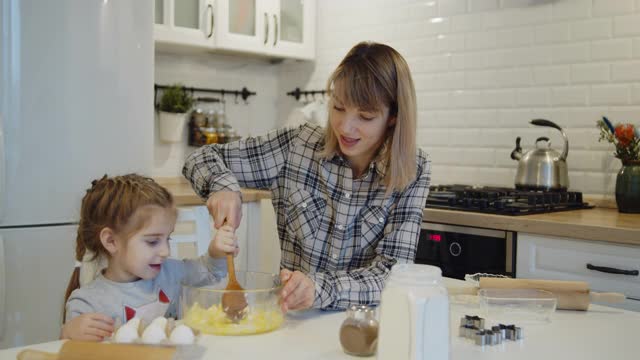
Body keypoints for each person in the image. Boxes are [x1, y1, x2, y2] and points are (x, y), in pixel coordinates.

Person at [183, 41, 431, 312]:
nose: (345, 127)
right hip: (293, 322)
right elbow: (201, 158)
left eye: (365, 116)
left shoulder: (414, 170)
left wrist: (318, 289)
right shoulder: (297, 146)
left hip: (365, 330)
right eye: (338, 107)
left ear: (393, 116)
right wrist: (222, 185)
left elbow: (393, 275)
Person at [61, 174, 237, 341]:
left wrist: (217, 252)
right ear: (111, 241)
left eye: (167, 238)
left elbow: (209, 271)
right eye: (153, 241)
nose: (165, 251)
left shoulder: (172, 273)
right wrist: (68, 334)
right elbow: (68, 353)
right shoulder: (88, 302)